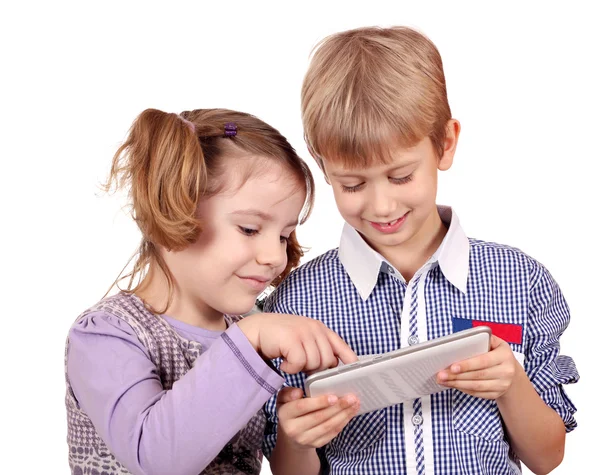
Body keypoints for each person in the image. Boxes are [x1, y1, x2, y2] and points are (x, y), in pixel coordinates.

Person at [263, 26, 579, 475]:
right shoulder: (295, 306)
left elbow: (548, 458)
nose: (381, 205)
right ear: (323, 166)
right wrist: (297, 441)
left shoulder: (520, 281)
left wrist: (512, 386)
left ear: (445, 144)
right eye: (352, 183)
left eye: (400, 176)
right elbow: (290, 470)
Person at [64, 107, 358, 475]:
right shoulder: (108, 335)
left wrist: (295, 439)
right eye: (250, 229)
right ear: (173, 210)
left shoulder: (255, 331)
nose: (275, 257)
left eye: (284, 235)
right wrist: (247, 336)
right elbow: (157, 459)